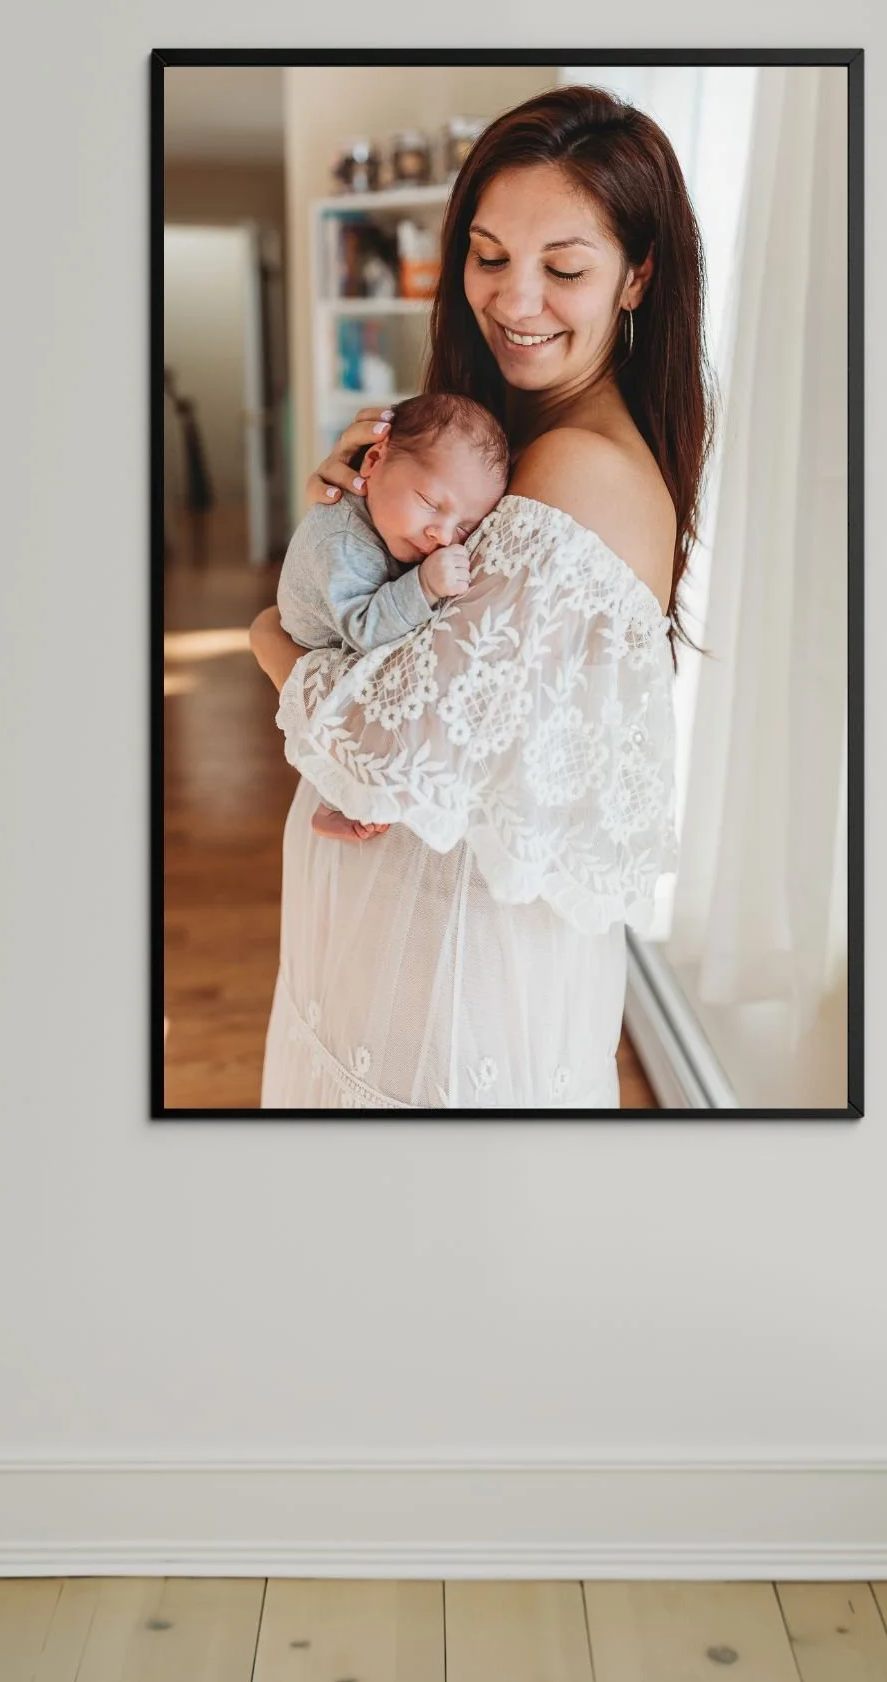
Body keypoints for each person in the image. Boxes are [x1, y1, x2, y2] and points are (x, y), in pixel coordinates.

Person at [249, 84, 712, 1108]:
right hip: (393, 963)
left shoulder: (580, 472)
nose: (513, 299)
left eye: (565, 267)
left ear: (637, 277)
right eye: (490, 254)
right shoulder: (512, 447)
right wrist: (346, 530)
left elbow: (384, 740)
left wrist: (266, 636)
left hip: (451, 1001)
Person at [276, 392, 508, 841]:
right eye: (429, 501)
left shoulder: (391, 520)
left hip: (350, 625)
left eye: (464, 527)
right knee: (340, 719)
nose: (442, 533)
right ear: (374, 461)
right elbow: (364, 629)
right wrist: (423, 584)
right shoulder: (342, 541)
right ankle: (333, 805)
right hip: (322, 643)